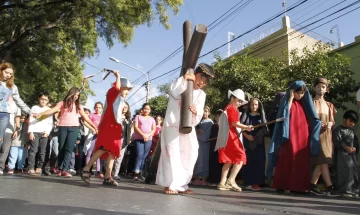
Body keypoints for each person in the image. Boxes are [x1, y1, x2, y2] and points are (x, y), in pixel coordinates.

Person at [156, 63, 215, 195]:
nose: (201, 83)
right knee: (171, 153)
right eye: (200, 78)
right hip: (173, 124)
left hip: (188, 127)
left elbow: (199, 114)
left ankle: (182, 184)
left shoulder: (202, 95)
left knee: (191, 152)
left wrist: (195, 112)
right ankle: (170, 184)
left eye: (205, 82)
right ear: (195, 74)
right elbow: (173, 91)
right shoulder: (182, 82)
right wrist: (184, 79)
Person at [80, 71, 133, 186]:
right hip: (108, 126)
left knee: (113, 151)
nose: (127, 92)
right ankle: (86, 168)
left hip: (116, 127)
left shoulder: (121, 99)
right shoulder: (112, 92)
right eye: (126, 89)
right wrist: (118, 76)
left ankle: (108, 176)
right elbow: (116, 88)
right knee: (104, 148)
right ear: (121, 86)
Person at [32, 87, 97, 178]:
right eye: (75, 94)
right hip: (62, 127)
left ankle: (65, 170)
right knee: (61, 148)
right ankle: (60, 169)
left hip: (74, 128)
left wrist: (94, 126)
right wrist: (41, 114)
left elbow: (85, 118)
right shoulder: (62, 103)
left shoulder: (78, 106)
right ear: (71, 93)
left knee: (69, 148)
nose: (76, 96)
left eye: (78, 95)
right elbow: (52, 110)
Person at [269, 81, 321, 193]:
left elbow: (313, 118)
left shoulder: (305, 104)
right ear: (293, 91)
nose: (300, 95)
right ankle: (284, 184)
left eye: (302, 93)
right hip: (289, 135)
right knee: (287, 158)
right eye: (298, 93)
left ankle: (299, 186)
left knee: (301, 159)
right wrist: (291, 98)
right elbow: (284, 115)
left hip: (303, 136)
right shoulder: (286, 102)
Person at [216, 89, 252, 192]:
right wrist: (246, 126)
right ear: (232, 98)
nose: (240, 103)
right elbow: (234, 123)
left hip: (227, 136)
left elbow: (232, 123)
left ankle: (222, 182)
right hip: (231, 137)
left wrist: (244, 127)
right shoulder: (233, 109)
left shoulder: (227, 108)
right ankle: (231, 180)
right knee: (241, 157)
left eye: (241, 101)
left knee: (228, 160)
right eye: (239, 100)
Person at [0, 62, 30, 173]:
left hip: (4, 114)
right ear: (1, 70)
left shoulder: (12, 87)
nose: (8, 75)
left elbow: (19, 101)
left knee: (1, 139)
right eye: (6, 72)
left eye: (10, 74)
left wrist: (30, 111)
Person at [310, 78, 337, 196]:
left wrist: (330, 124)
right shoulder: (311, 103)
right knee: (323, 161)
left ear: (326, 89)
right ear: (314, 88)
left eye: (323, 87)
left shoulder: (329, 105)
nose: (321, 89)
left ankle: (312, 185)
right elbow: (307, 120)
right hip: (316, 135)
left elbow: (332, 121)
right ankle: (330, 187)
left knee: (322, 161)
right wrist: (318, 124)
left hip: (327, 136)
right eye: (318, 86)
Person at [241, 98, 268, 191]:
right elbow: (240, 128)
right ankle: (248, 182)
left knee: (258, 162)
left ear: (259, 106)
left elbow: (265, 130)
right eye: (252, 104)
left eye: (256, 105)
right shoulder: (245, 116)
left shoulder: (261, 117)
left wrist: (258, 135)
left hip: (259, 143)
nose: (254, 106)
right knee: (248, 162)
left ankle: (257, 183)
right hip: (247, 141)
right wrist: (247, 136)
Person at [333, 110, 359, 197]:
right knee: (344, 171)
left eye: (354, 122)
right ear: (345, 119)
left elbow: (355, 141)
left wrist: (354, 147)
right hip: (341, 156)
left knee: (353, 171)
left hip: (351, 156)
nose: (352, 124)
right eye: (350, 121)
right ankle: (344, 190)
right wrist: (345, 147)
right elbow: (337, 141)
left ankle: (353, 189)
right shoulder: (338, 130)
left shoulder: (351, 131)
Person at [27, 92, 53, 175]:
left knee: (42, 151)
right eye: (42, 99)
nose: (43, 101)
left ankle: (39, 167)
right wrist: (30, 132)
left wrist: (47, 132)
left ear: (48, 100)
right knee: (33, 150)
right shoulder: (34, 108)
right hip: (35, 131)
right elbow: (30, 120)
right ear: (39, 99)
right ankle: (31, 167)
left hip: (44, 133)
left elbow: (50, 122)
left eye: (45, 99)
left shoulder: (49, 110)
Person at [133, 103, 156, 181]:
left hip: (148, 139)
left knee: (144, 156)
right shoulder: (138, 117)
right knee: (139, 155)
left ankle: (141, 172)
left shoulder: (152, 119)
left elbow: (154, 129)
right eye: (145, 108)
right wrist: (143, 135)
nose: (146, 110)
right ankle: (136, 172)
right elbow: (136, 127)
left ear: (150, 110)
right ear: (142, 109)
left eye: (148, 109)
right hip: (139, 138)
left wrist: (147, 135)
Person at [193, 106, 213, 185]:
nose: (205, 113)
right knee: (198, 159)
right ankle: (197, 177)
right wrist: (197, 131)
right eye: (203, 111)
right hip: (198, 142)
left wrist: (201, 137)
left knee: (204, 159)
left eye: (206, 111)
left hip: (205, 143)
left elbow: (208, 133)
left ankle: (204, 178)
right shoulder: (199, 122)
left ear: (209, 113)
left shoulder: (210, 122)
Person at [113, 102, 132, 180]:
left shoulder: (128, 119)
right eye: (123, 107)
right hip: (115, 139)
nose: (124, 108)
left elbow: (129, 130)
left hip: (124, 140)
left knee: (120, 157)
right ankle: (108, 171)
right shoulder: (116, 116)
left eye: (126, 107)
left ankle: (116, 173)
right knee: (112, 156)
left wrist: (129, 138)